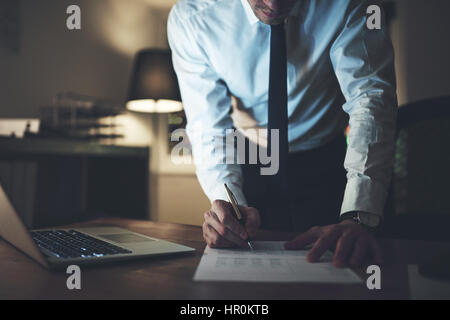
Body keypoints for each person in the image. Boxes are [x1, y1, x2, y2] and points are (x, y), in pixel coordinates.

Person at [168, 0, 397, 268]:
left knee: (344, 268)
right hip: (251, 159)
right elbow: (208, 125)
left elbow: (370, 99)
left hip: (329, 162)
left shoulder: (353, 4)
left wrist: (359, 216)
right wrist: (227, 205)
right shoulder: (193, 17)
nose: (274, 4)